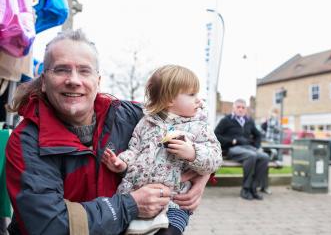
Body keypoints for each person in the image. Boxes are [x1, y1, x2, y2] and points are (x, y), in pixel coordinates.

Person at [5, 29, 210, 235]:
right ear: (43, 81)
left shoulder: (133, 116)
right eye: (61, 70)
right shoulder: (26, 142)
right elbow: (49, 225)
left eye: (84, 71)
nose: (74, 80)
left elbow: (198, 135)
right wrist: (130, 205)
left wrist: (203, 176)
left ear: (98, 80)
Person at [102, 64, 222, 235]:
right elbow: (134, 149)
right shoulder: (146, 123)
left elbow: (215, 159)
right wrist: (122, 162)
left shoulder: (199, 127)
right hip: (136, 195)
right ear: (169, 99)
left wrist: (193, 153)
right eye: (191, 94)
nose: (198, 99)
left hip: (174, 201)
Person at [214, 99, 270, 200]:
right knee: (251, 155)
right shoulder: (226, 120)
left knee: (264, 157)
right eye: (238, 107)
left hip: (248, 148)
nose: (240, 109)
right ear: (234, 108)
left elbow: (258, 135)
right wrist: (231, 141)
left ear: (246, 109)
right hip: (232, 149)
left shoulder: (249, 121)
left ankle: (253, 188)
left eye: (243, 107)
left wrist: (256, 146)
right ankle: (245, 189)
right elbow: (216, 135)